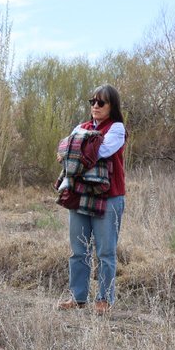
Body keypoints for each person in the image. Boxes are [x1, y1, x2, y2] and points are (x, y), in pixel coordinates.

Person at [58, 85, 127, 315]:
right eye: (92, 102)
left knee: (105, 252)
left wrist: (75, 148)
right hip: (80, 194)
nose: (95, 106)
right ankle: (78, 297)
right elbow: (64, 150)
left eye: (101, 102)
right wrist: (76, 148)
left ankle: (104, 299)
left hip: (109, 197)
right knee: (78, 250)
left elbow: (102, 151)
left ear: (112, 106)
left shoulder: (117, 128)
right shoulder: (81, 126)